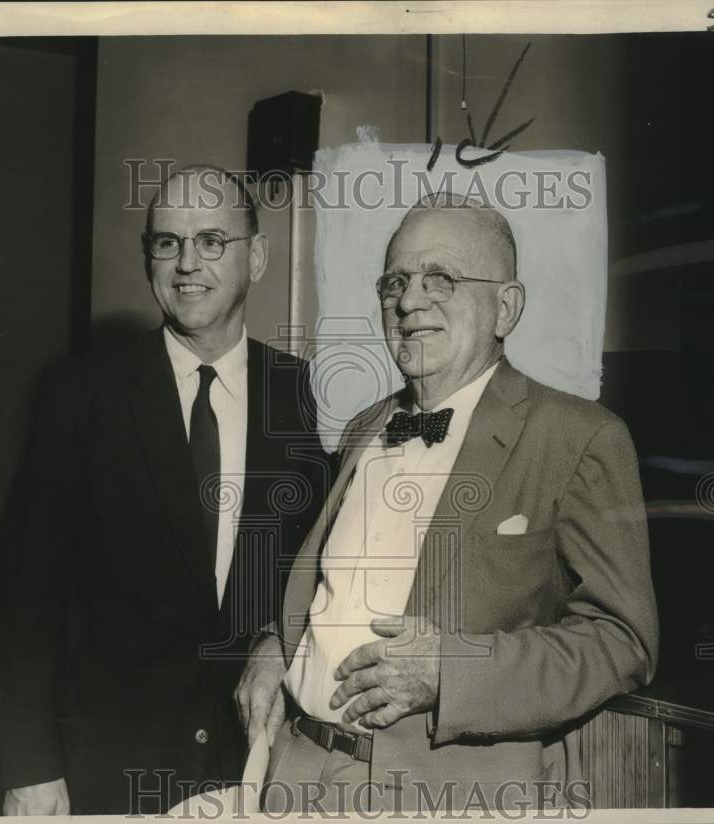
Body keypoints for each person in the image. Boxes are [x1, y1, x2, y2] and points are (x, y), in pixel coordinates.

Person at [236, 192, 659, 814]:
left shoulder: (580, 438)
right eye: (396, 281)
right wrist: (279, 643)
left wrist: (451, 671)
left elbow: (624, 641)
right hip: (297, 774)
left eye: (442, 278)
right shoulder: (362, 429)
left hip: (448, 794)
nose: (409, 301)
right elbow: (331, 592)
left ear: (505, 308)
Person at [0, 166, 328, 815]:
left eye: (211, 241)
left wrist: (279, 637)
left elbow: (320, 566)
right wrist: (30, 767)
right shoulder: (81, 395)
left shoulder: (298, 394)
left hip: (255, 762)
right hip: (108, 767)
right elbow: (26, 594)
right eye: (167, 243)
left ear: (256, 257)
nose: (186, 264)